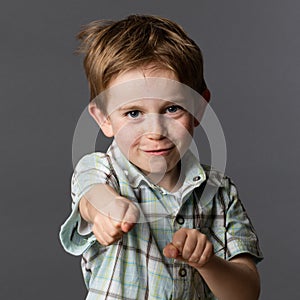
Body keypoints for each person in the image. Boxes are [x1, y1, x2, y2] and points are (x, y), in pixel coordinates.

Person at [59, 15, 263, 300]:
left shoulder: (219, 192)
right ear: (104, 118)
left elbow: (246, 292)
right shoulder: (101, 170)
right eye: (133, 113)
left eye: (172, 109)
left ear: (199, 108)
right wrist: (108, 210)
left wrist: (207, 262)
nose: (155, 132)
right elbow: (92, 196)